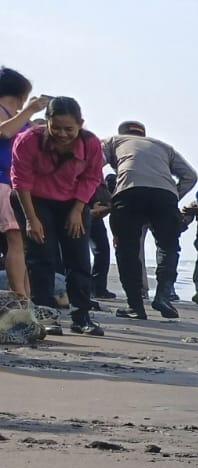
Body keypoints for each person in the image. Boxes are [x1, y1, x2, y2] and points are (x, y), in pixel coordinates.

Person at [9, 97, 105, 335]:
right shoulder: (28, 140)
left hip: (74, 202)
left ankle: (81, 316)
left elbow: (92, 177)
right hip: (34, 201)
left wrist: (77, 210)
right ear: (47, 122)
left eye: (69, 129)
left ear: (80, 124)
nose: (62, 134)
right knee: (42, 258)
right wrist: (31, 219)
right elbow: (21, 181)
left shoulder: (90, 143)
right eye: (56, 128)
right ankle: (45, 315)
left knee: (79, 258)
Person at [103, 120, 196, 320]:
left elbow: (93, 165)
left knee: (127, 249)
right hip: (164, 195)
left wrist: (105, 195)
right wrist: (174, 195)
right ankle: (163, 296)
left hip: (130, 193)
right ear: (143, 134)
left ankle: (135, 306)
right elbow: (190, 176)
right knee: (168, 247)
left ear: (122, 132)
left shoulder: (114, 141)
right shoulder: (163, 146)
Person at [0, 67, 49, 302]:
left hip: (18, 185)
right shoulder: (5, 113)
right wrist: (30, 110)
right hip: (3, 182)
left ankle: (25, 296)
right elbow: (4, 132)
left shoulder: (22, 119)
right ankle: (20, 296)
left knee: (21, 243)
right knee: (15, 239)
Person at [87, 173, 115, 301]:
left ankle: (97, 288)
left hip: (92, 204)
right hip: (86, 204)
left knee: (101, 249)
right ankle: (96, 288)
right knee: (100, 249)